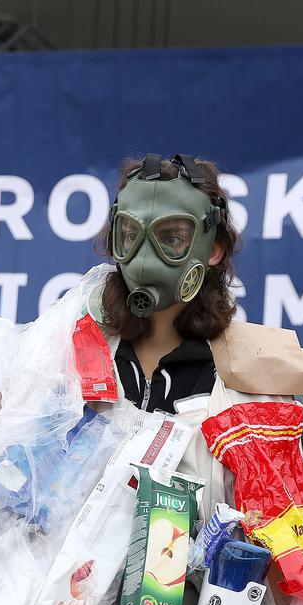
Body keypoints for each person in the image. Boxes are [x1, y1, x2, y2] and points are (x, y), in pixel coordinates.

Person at [93, 153, 241, 414]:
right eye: (131, 236)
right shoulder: (83, 354)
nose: (144, 261)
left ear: (213, 251)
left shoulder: (238, 372)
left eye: (172, 239)